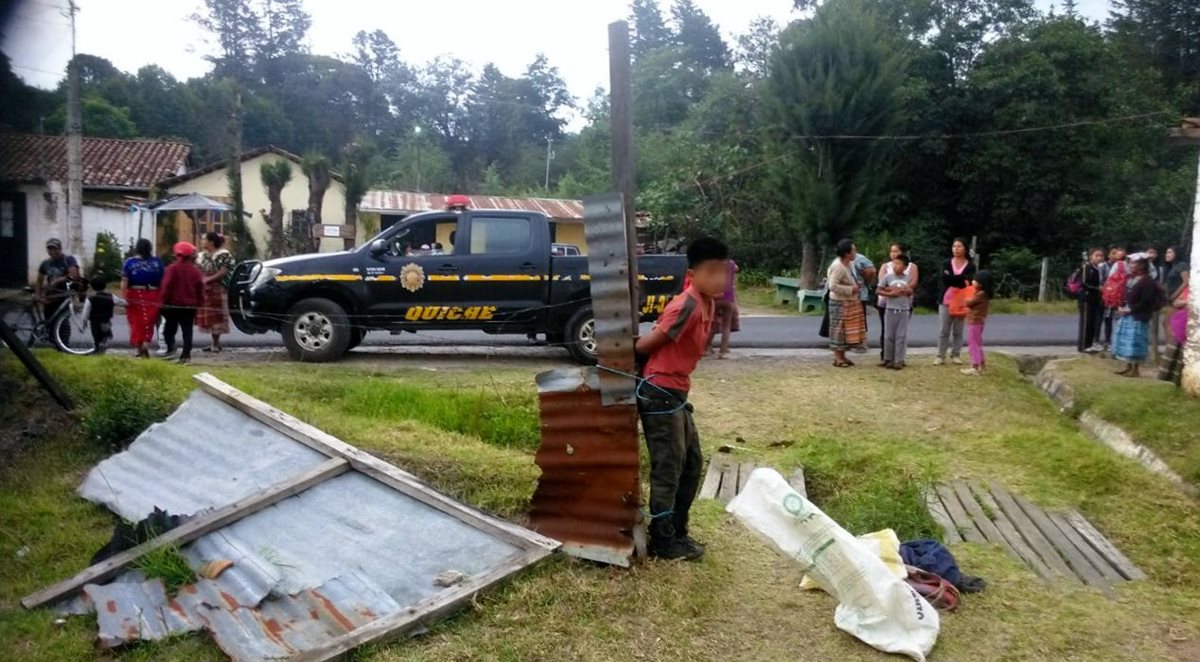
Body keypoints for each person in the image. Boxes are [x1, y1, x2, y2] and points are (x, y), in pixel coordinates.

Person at [635, 237, 729, 561]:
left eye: (724, 272)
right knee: (669, 468)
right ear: (693, 272)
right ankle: (662, 542)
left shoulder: (709, 302)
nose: (720, 279)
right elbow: (648, 344)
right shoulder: (685, 304)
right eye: (712, 271)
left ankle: (677, 532)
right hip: (659, 392)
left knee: (692, 464)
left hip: (676, 392)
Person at [1112, 258, 1160, 378]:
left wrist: (1131, 309)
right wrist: (1122, 305)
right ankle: (1128, 367)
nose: (1131, 265)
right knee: (1125, 340)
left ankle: (1135, 369)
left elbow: (1146, 301)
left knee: (1135, 341)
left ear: (1142, 265)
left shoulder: (1147, 281)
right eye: (1131, 263)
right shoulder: (1131, 278)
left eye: (1134, 263)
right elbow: (1126, 294)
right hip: (1127, 313)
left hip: (1138, 315)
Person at [159, 241, 205, 365]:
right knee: (187, 331)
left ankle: (171, 349)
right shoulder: (195, 271)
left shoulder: (172, 269)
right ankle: (186, 356)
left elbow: (166, 287)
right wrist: (200, 303)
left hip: (173, 306)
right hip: (190, 306)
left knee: (168, 330)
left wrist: (162, 302)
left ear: (177, 254)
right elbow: (200, 288)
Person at [120, 238, 164, 358]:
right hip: (153, 294)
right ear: (150, 248)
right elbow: (162, 281)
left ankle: (140, 348)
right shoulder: (157, 262)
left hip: (134, 294)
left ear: (137, 248)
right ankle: (145, 343)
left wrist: (123, 297)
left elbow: (124, 281)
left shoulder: (129, 262)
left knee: (135, 322)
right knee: (148, 322)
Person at [936, 238, 976, 365]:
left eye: (959, 246)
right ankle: (940, 355)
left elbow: (968, 281)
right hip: (946, 299)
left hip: (962, 300)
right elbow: (945, 278)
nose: (956, 249)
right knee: (944, 329)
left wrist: (954, 279)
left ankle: (956, 354)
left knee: (958, 330)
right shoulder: (946, 263)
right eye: (954, 246)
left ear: (965, 248)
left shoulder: (970, 266)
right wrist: (959, 279)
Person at [827, 239, 866, 367]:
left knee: (845, 330)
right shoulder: (838, 266)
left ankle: (843, 356)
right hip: (839, 302)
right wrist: (851, 289)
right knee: (838, 329)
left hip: (849, 301)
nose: (855, 252)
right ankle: (838, 357)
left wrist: (856, 286)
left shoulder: (849, 264)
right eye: (853, 250)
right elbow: (832, 285)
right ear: (847, 253)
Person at [877, 243, 918, 358]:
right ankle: (886, 356)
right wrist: (893, 291)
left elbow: (912, 283)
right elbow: (882, 284)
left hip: (904, 304)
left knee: (901, 332)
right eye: (892, 251)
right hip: (886, 303)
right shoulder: (886, 266)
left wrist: (902, 290)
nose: (893, 254)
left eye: (896, 251)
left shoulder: (911, 267)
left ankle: (899, 357)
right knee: (886, 331)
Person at [197, 232, 234, 353]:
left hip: (218, 288)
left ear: (211, 242)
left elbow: (224, 271)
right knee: (209, 316)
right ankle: (213, 342)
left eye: (204, 239)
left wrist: (208, 279)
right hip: (206, 288)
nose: (202, 242)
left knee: (217, 315)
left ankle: (216, 343)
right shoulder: (202, 255)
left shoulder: (223, 254)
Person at [35, 238, 81, 322]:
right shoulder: (45, 263)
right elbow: (39, 280)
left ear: (60, 249)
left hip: (63, 296)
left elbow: (74, 276)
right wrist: (37, 294)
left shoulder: (68, 259)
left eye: (55, 248)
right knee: (48, 321)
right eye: (50, 249)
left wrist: (57, 280)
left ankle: (59, 335)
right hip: (50, 296)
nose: (52, 251)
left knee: (62, 324)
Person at [962, 270, 993, 376]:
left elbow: (969, 303)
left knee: (973, 343)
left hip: (974, 321)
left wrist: (965, 297)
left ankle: (974, 365)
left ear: (981, 283)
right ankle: (981, 363)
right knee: (978, 343)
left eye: (975, 280)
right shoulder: (984, 294)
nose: (973, 282)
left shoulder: (980, 294)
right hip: (979, 321)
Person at [708, 259, 740, 359]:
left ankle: (706, 347)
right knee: (726, 326)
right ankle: (723, 351)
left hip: (716, 297)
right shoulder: (731, 263)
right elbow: (736, 269)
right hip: (728, 297)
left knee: (712, 324)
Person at [1079, 248, 1106, 353]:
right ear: (1091, 256)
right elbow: (1084, 283)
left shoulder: (1097, 269)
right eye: (1097, 255)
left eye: (1101, 256)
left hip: (1094, 298)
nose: (1099, 258)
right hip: (1086, 298)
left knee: (1092, 322)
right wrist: (1097, 289)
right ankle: (1083, 346)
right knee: (1086, 322)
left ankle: (1089, 344)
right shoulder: (1086, 267)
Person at [850, 243, 876, 353]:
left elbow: (871, 270)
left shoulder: (859, 258)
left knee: (860, 320)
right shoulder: (843, 260)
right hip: (848, 294)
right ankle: (851, 342)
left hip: (860, 293)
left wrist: (866, 282)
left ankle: (862, 343)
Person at [1101, 246, 1128, 350]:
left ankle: (1108, 341)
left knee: (1108, 320)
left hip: (1112, 295)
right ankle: (1119, 342)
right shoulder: (1129, 265)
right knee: (1119, 320)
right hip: (1122, 296)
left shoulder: (1117, 265)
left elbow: (1109, 279)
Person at [1161, 246, 1189, 344]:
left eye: (1170, 252)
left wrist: (1175, 295)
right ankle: (1172, 347)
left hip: (1178, 298)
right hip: (1170, 298)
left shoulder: (1182, 265)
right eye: (1166, 252)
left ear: (1176, 254)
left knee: (1168, 323)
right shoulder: (1172, 266)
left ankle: (1172, 348)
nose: (1167, 255)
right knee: (1167, 323)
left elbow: (1186, 281)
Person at [87, 275, 115, 354]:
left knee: (96, 337)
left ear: (92, 287)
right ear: (105, 285)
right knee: (105, 335)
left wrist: (83, 321)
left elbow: (86, 311)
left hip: (94, 321)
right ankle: (103, 345)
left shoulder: (90, 298)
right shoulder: (110, 296)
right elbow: (120, 301)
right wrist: (127, 303)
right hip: (106, 320)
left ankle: (97, 349)